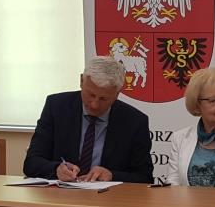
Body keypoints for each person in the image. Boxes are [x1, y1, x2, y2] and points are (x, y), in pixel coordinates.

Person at [23, 57, 153, 183]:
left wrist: (112, 175)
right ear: (81, 81)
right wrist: (56, 169)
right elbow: (31, 163)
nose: (94, 105)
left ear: (117, 94)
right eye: (90, 95)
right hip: (61, 194)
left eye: (103, 99)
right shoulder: (56, 107)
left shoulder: (135, 121)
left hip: (109, 196)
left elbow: (144, 177)